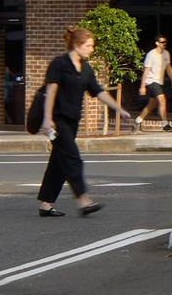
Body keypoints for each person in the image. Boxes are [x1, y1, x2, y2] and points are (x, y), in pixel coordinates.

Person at [38, 24, 129, 218]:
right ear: (77, 45)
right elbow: (51, 92)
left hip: (72, 121)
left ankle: (46, 204)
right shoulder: (59, 64)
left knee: (59, 163)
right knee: (72, 159)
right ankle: (83, 200)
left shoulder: (86, 68)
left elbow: (98, 91)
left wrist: (118, 108)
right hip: (57, 119)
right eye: (89, 45)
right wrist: (47, 119)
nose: (92, 49)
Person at [139, 35, 172, 132]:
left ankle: (138, 121)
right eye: (162, 42)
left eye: (165, 42)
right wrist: (142, 86)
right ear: (157, 43)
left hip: (160, 82)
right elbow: (146, 70)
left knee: (152, 105)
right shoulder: (151, 54)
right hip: (151, 81)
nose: (164, 44)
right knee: (162, 100)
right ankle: (165, 124)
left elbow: (168, 67)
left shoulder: (166, 54)